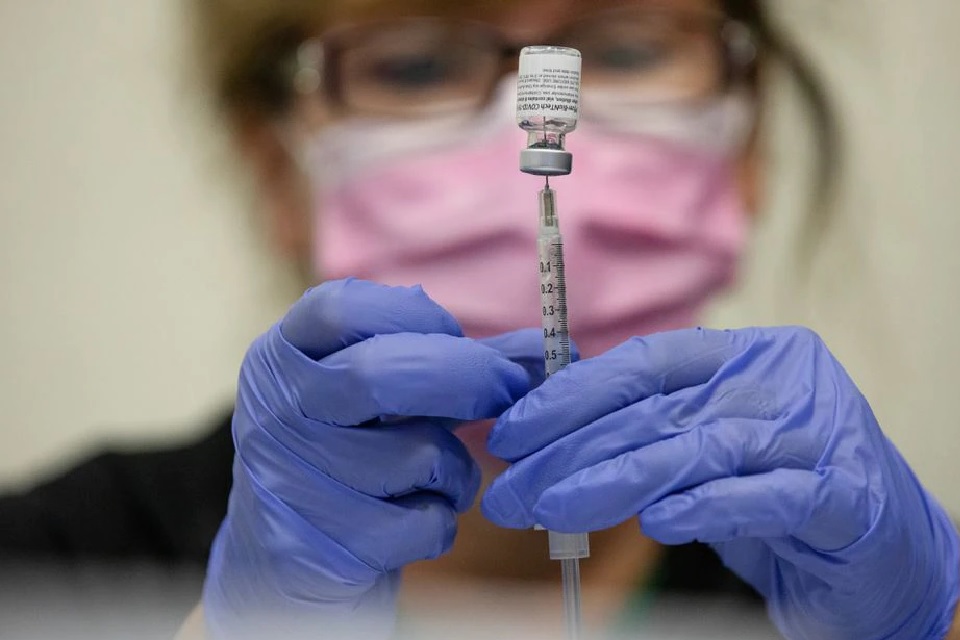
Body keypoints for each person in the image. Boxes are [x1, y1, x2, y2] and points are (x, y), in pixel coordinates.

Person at [2, 0, 958, 638]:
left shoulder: (859, 567)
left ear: (750, 141)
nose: (515, 122)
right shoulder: (58, 567)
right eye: (416, 65)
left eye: (625, 48)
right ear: (275, 167)